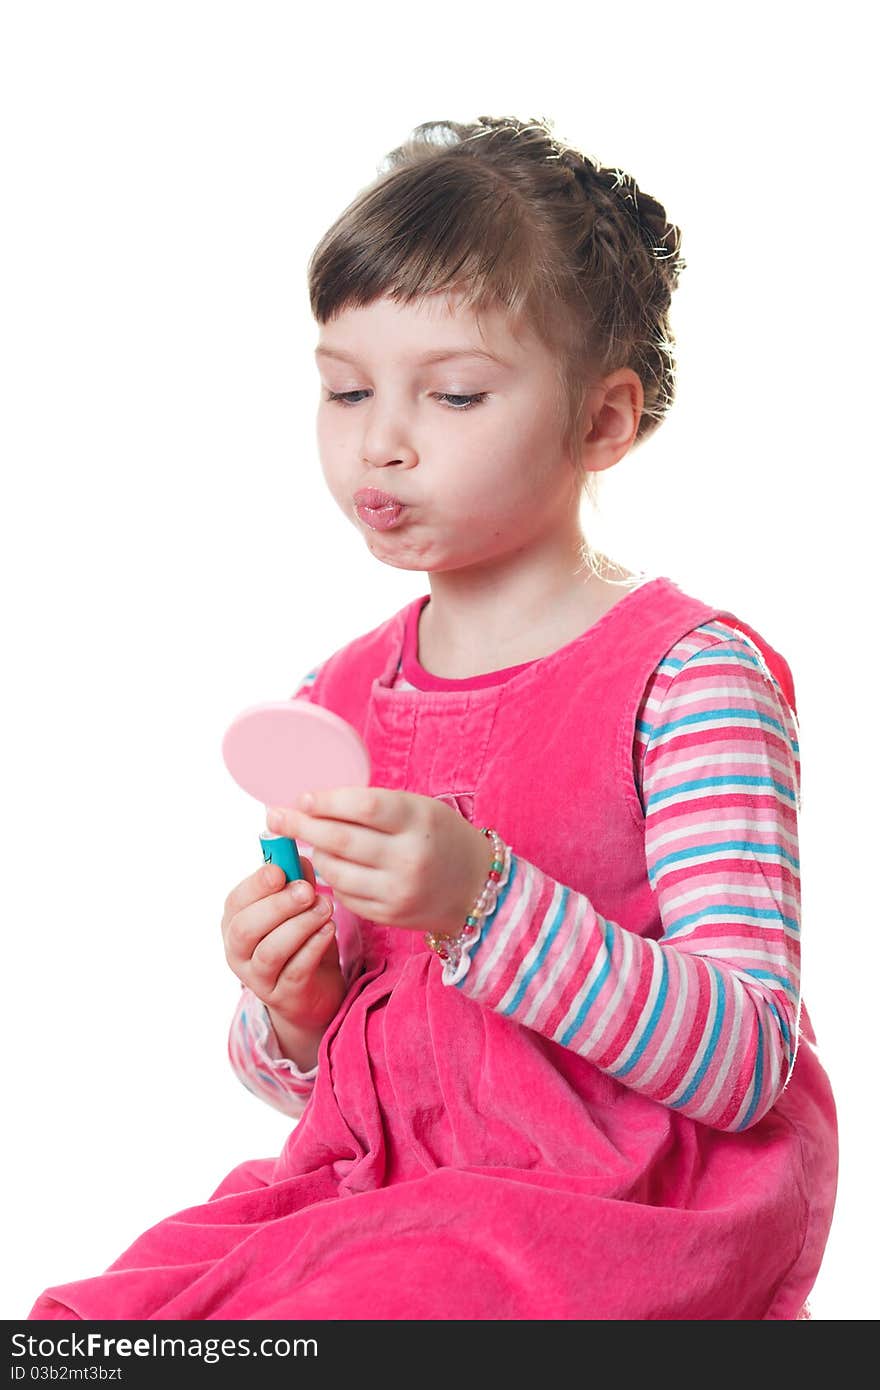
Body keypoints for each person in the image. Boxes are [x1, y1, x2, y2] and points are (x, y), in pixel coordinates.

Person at [29, 114, 837, 1321]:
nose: (382, 440)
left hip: (610, 1210)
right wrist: (289, 1012)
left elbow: (745, 1060)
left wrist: (482, 902)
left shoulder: (686, 679)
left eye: (453, 393)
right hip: (386, 1195)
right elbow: (349, 1083)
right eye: (345, 389)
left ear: (603, 421)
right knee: (87, 1328)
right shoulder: (338, 696)